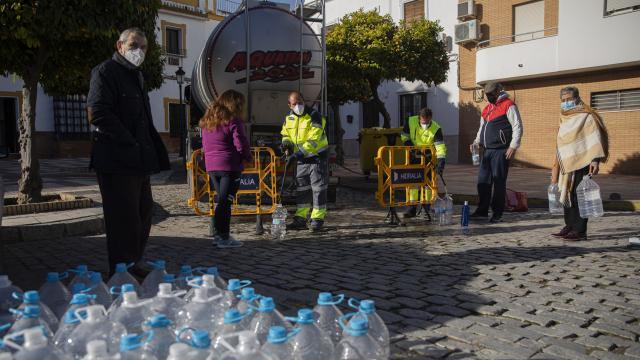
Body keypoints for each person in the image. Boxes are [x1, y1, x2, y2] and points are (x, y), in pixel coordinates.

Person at [87, 28, 170, 277]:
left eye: (144, 47)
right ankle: (122, 270)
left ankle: (134, 263)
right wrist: (129, 141)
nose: (139, 51)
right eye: (134, 45)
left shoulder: (137, 76)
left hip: (137, 160)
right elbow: (97, 112)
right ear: (120, 45)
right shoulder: (105, 72)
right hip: (116, 159)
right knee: (123, 219)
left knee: (144, 214)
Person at [551, 86, 609, 241]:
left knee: (579, 195)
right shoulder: (564, 115)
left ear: (577, 98)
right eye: (563, 100)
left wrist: (595, 159)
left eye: (569, 99)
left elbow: (594, 137)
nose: (566, 103)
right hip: (566, 161)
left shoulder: (587, 116)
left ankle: (580, 230)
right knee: (567, 193)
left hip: (582, 159)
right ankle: (569, 225)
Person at [200, 90, 252, 248]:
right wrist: (248, 157)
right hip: (229, 166)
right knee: (225, 202)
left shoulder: (208, 120)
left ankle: (219, 235)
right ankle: (223, 236)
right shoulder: (233, 120)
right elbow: (240, 142)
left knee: (222, 201)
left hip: (212, 167)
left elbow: (205, 144)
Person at [470, 82, 523, 223]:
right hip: (486, 151)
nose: (489, 97)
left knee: (499, 182)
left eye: (491, 95)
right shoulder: (487, 109)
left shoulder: (508, 105)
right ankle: (482, 210)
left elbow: (517, 126)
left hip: (501, 150)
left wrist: (513, 146)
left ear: (498, 92)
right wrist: (476, 142)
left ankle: (497, 213)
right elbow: (482, 128)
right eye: (487, 95)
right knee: (483, 182)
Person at [280, 91, 329, 232]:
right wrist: (286, 145)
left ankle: (317, 219)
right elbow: (285, 134)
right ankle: (301, 218)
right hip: (301, 158)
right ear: (289, 105)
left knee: (318, 188)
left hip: (317, 157)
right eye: (295, 104)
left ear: (304, 101)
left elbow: (314, 140)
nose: (298, 106)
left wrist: (297, 155)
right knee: (302, 188)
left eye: (300, 102)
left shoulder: (315, 116)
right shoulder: (289, 118)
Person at [400, 107, 446, 219]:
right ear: (419, 117)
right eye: (422, 121)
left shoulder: (436, 128)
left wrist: (441, 163)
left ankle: (427, 208)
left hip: (428, 159)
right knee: (413, 183)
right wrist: (410, 144)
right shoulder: (410, 121)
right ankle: (412, 208)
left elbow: (440, 146)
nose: (424, 123)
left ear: (431, 118)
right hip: (413, 157)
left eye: (427, 121)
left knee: (428, 184)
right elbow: (404, 136)